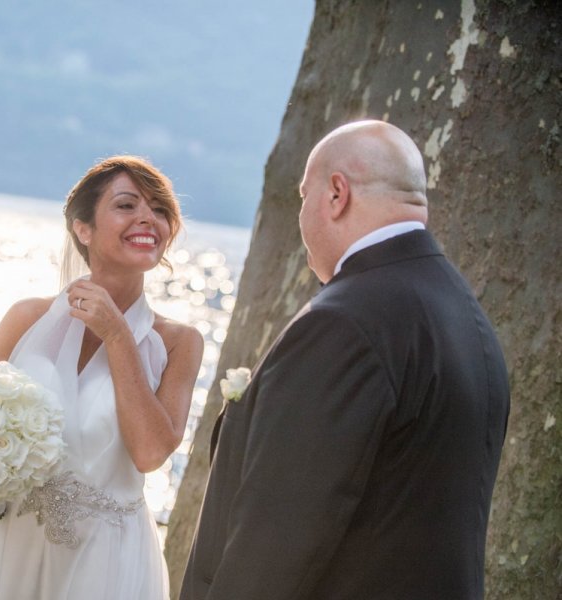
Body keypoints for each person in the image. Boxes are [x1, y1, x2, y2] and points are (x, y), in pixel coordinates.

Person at [180, 120, 510, 599]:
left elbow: (275, 543)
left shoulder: (343, 324)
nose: (301, 214)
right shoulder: (465, 316)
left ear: (337, 194)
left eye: (302, 195)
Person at [0, 155, 204, 600]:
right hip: (7, 547)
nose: (147, 219)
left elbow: (151, 452)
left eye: (159, 210)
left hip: (104, 562)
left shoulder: (178, 342)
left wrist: (117, 335)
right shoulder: (25, 318)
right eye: (127, 205)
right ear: (83, 229)